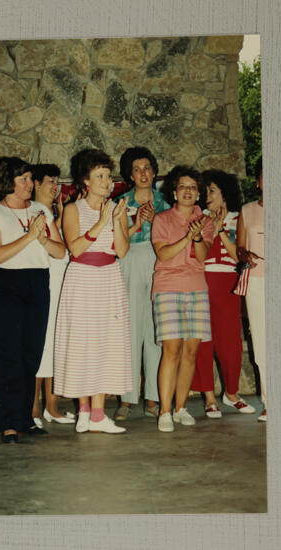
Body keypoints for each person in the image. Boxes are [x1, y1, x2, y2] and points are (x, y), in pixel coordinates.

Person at [0, 157, 65, 444]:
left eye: (30, 178)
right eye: (24, 179)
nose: (30, 184)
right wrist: (30, 237)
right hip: (4, 285)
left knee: (31, 353)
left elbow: (60, 252)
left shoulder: (41, 210)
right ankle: (8, 423)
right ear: (8, 182)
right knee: (7, 355)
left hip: (36, 283)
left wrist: (42, 239)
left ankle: (26, 418)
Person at [54, 149, 132, 434]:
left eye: (108, 176)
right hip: (82, 279)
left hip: (109, 278)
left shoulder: (117, 208)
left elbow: (122, 251)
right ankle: (85, 410)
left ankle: (97, 412)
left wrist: (117, 220)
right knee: (82, 344)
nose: (106, 181)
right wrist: (102, 221)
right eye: (99, 176)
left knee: (105, 344)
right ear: (86, 181)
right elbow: (74, 248)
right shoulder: (73, 209)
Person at [151, 165, 214, 432]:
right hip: (167, 287)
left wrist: (197, 236)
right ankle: (164, 412)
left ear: (198, 193)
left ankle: (180, 408)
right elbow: (163, 255)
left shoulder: (206, 221)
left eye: (192, 187)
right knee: (172, 349)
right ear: (174, 192)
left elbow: (202, 256)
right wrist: (187, 236)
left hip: (197, 288)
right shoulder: (162, 219)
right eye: (182, 187)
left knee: (191, 351)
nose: (187, 191)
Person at [191, 170, 255, 417]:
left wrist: (219, 231)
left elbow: (239, 255)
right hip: (202, 280)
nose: (207, 196)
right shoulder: (200, 217)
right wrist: (209, 228)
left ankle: (231, 393)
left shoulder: (239, 218)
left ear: (225, 193)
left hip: (228, 283)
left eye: (212, 191)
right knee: (203, 341)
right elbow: (200, 255)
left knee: (230, 343)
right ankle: (209, 397)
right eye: (205, 191)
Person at [114, 147, 170, 421]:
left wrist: (156, 221)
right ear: (130, 175)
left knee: (155, 328)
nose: (143, 173)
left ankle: (152, 397)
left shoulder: (165, 202)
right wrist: (135, 222)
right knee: (130, 328)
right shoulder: (120, 202)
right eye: (137, 169)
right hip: (130, 260)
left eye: (147, 167)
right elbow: (115, 240)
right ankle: (126, 398)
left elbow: (173, 235)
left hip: (158, 261)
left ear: (154, 171)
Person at [30, 164, 74, 427]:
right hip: (49, 281)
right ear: (35, 183)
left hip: (58, 282)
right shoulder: (37, 211)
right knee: (43, 346)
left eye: (56, 181)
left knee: (53, 346)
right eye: (49, 181)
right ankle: (35, 409)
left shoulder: (46, 210)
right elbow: (59, 249)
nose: (54, 185)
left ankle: (51, 408)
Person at [237, 156, 266, 421]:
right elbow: (240, 247)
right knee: (261, 341)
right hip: (257, 280)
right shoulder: (246, 210)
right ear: (258, 182)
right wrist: (245, 254)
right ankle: (270, 402)